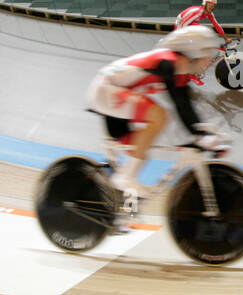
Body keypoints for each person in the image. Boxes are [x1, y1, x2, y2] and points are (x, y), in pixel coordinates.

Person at [86, 25, 225, 197]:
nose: (210, 60)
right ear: (194, 51)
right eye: (207, 53)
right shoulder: (167, 60)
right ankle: (125, 177)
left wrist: (203, 134)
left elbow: (185, 108)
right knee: (159, 115)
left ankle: (119, 192)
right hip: (104, 90)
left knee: (140, 153)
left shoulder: (181, 71)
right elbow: (178, 102)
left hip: (113, 97)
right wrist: (202, 136)